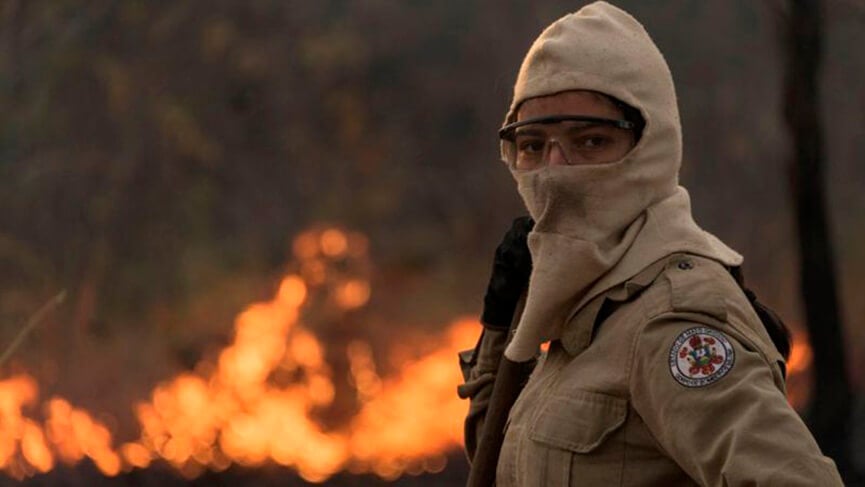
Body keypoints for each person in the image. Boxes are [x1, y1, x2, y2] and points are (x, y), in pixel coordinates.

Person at [457, 2, 844, 486]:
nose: (555, 171)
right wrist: (500, 327)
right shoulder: (577, 305)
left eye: (590, 142)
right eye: (533, 145)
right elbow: (500, 463)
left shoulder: (672, 317)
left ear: (651, 146)